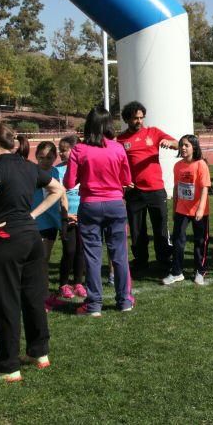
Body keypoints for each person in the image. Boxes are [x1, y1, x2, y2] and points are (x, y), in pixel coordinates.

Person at [0, 123, 65, 382]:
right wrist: (32, 215)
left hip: (8, 240)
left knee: (5, 301)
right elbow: (57, 189)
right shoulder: (27, 165)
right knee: (33, 296)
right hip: (32, 238)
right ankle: (40, 353)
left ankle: (7, 366)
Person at [65, 107, 134, 317]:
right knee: (119, 255)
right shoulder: (118, 148)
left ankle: (94, 304)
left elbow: (69, 182)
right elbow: (126, 179)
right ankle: (124, 300)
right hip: (115, 203)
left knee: (93, 256)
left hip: (90, 205)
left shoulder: (79, 149)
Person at [117, 101, 178, 272]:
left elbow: (177, 143)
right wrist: (123, 181)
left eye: (141, 118)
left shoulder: (154, 132)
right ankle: (140, 262)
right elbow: (117, 164)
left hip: (156, 190)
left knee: (161, 229)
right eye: (135, 118)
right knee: (137, 232)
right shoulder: (121, 139)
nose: (139, 121)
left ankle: (165, 261)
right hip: (134, 193)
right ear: (127, 119)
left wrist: (170, 142)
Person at [163, 135, 213, 286]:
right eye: (181, 145)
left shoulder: (201, 165)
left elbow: (205, 188)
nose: (183, 148)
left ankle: (200, 270)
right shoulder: (178, 166)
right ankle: (177, 272)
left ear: (194, 148)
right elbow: (178, 188)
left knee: (200, 241)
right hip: (181, 210)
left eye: (186, 145)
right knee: (178, 240)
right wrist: (174, 209)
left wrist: (200, 209)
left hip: (199, 211)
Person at [32, 141, 63, 311]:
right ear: (36, 156)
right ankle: (39, 296)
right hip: (33, 221)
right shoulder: (31, 171)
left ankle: (42, 295)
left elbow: (60, 194)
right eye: (41, 157)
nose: (45, 161)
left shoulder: (55, 171)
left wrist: (63, 218)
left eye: (49, 157)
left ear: (55, 158)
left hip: (51, 222)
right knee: (37, 260)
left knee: (44, 260)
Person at [55, 136, 85, 300]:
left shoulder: (83, 168)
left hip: (83, 216)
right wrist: (64, 215)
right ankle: (63, 284)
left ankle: (78, 282)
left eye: (64, 150)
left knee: (81, 251)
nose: (61, 153)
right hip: (66, 217)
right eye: (60, 149)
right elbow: (55, 196)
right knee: (69, 251)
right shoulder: (56, 171)